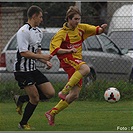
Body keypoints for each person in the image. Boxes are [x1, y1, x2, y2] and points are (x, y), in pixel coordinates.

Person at [45, 5, 107, 126]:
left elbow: (96, 30)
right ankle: (64, 90)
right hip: (68, 60)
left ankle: (51, 113)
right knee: (86, 68)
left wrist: (102, 29)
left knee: (74, 95)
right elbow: (55, 50)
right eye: (75, 19)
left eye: (79, 19)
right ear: (69, 19)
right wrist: (68, 51)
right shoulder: (61, 34)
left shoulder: (81, 28)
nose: (78, 22)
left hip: (76, 61)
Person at [13, 5, 55, 130]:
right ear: (34, 16)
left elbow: (38, 53)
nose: (42, 19)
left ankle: (21, 99)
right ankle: (23, 123)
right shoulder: (23, 31)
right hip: (22, 70)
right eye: (40, 17)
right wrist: (43, 57)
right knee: (35, 98)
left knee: (50, 93)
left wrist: (45, 61)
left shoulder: (38, 32)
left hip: (32, 69)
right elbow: (23, 53)